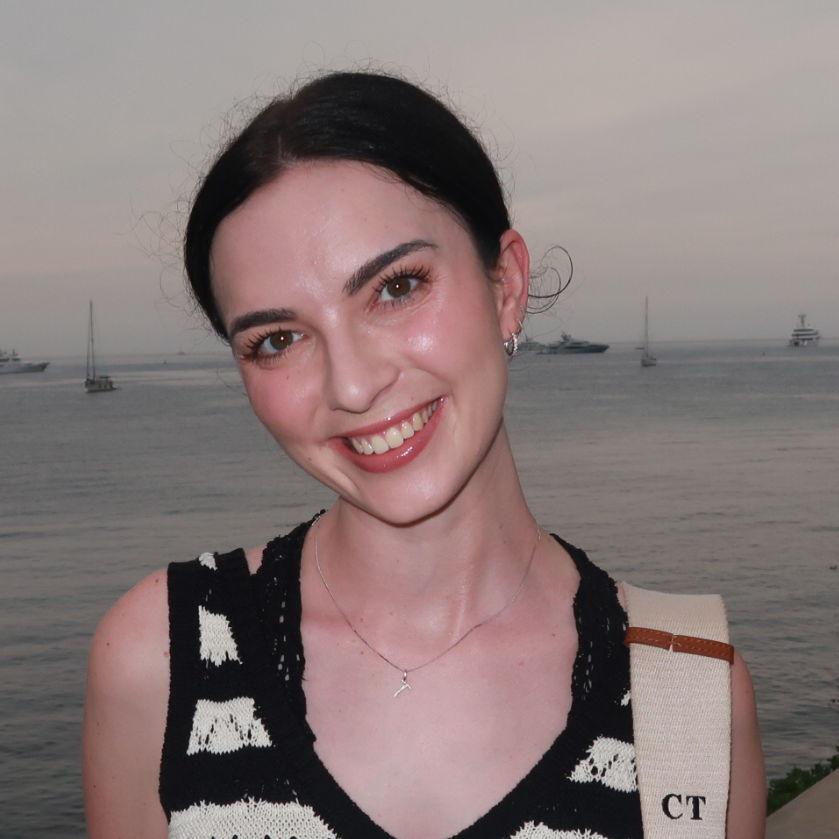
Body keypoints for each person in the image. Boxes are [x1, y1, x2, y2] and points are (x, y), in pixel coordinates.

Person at [83, 71, 766, 839]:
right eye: (277, 339)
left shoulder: (685, 691)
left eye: (396, 287)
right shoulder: (160, 658)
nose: (352, 384)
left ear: (505, 285)